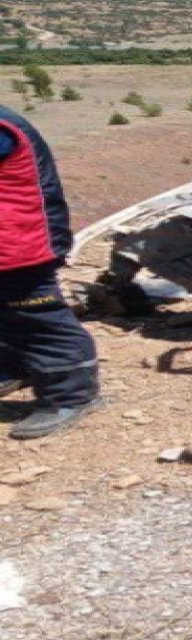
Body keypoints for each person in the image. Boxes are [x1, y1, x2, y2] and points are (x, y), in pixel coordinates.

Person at [0, 104, 102, 439]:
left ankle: (70, 395)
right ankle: (15, 368)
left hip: (21, 241)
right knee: (8, 314)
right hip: (13, 238)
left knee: (38, 317)